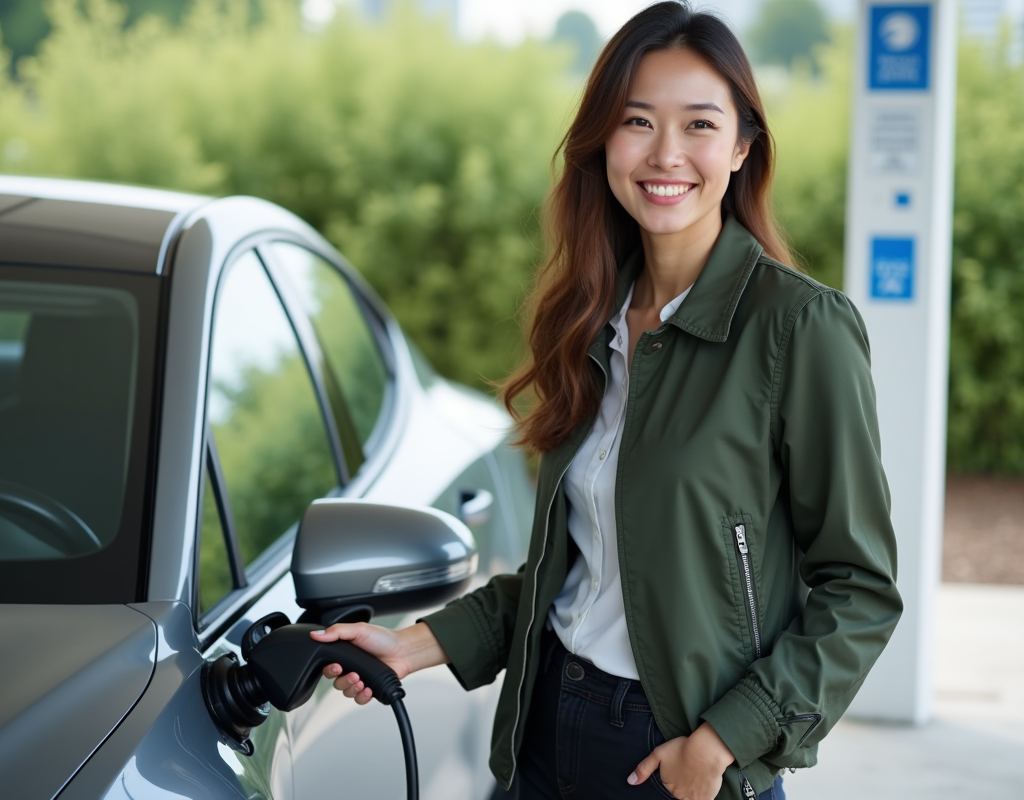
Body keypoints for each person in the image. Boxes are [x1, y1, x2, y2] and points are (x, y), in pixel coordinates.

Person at [309, 3, 903, 799]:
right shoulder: (593, 318)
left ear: (741, 146)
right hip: (544, 725)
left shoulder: (797, 329)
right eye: (637, 121)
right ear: (604, 141)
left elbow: (859, 588)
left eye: (698, 124)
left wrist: (729, 738)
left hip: (677, 752)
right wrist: (420, 644)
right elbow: (581, 573)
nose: (666, 154)